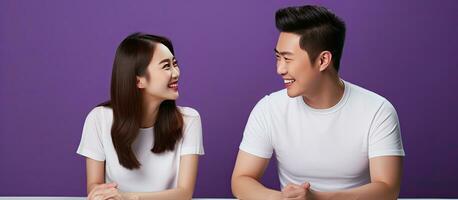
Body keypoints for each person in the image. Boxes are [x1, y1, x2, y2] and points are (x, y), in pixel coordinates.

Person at [231, 5, 405, 200]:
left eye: (288, 59)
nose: (280, 69)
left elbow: (388, 189)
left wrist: (318, 198)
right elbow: (241, 180)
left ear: (323, 60)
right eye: (278, 57)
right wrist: (281, 199)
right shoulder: (269, 108)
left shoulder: (377, 110)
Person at [77, 33, 204, 200]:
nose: (176, 72)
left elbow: (184, 193)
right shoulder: (99, 119)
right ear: (139, 81)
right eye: (166, 66)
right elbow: (94, 186)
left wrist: (130, 198)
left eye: (175, 64)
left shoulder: (189, 120)